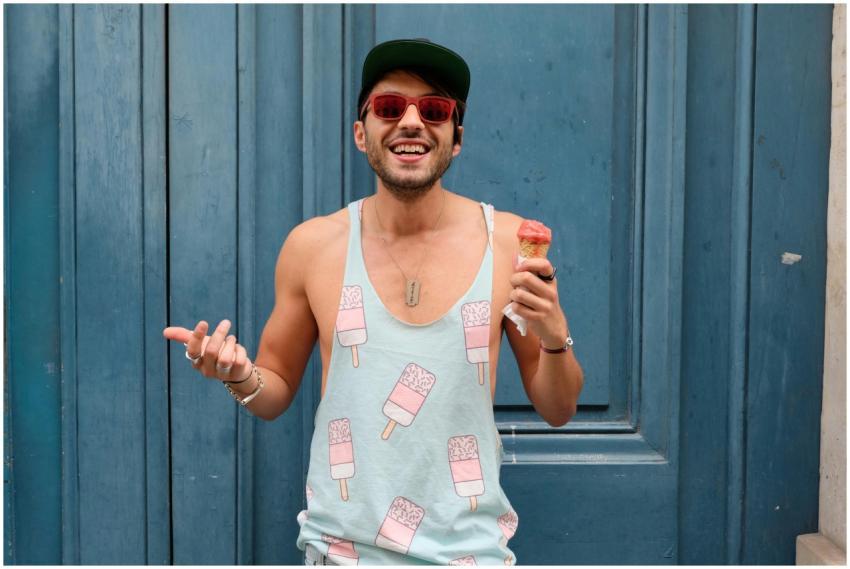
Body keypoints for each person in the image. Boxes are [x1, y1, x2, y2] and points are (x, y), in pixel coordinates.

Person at [163, 38, 583, 566]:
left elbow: (558, 409)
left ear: (456, 139)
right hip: (340, 553)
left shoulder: (508, 245)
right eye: (389, 107)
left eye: (434, 110)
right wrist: (238, 375)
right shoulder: (313, 247)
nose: (411, 122)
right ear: (361, 134)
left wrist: (554, 338)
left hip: (467, 555)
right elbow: (275, 392)